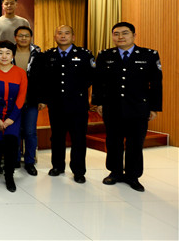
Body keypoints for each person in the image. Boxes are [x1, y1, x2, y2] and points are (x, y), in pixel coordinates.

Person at [92, 22, 162, 192]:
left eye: (125, 33)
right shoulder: (105, 55)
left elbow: (156, 83)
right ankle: (115, 172)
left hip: (138, 107)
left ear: (134, 35)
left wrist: (154, 107)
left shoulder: (149, 55)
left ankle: (133, 176)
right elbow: (98, 81)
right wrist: (98, 103)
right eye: (116, 34)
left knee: (135, 143)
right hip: (112, 107)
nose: (120, 37)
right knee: (113, 141)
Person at [38, 25, 94, 184]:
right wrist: (44, 98)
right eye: (60, 33)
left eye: (67, 33)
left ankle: (78, 171)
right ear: (55, 36)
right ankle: (57, 166)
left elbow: (91, 77)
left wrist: (76, 90)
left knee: (78, 138)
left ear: (73, 37)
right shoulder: (48, 55)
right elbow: (44, 79)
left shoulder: (84, 54)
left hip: (78, 104)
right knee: (57, 137)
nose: (63, 36)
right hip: (56, 104)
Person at [0, 40, 27, 192]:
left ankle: (9, 176)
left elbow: (21, 98)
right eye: (0, 53)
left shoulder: (20, 73)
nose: (4, 56)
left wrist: (10, 119)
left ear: (13, 55)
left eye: (8, 53)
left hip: (13, 116)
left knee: (11, 145)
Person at [13, 26, 41, 176]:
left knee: (30, 132)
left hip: (31, 99)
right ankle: (15, 159)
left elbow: (43, 77)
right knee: (15, 131)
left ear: (31, 38)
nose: (23, 38)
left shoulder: (38, 54)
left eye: (26, 36)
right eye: (20, 35)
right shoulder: (9, 52)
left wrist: (42, 98)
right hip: (12, 99)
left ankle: (30, 161)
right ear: (15, 37)